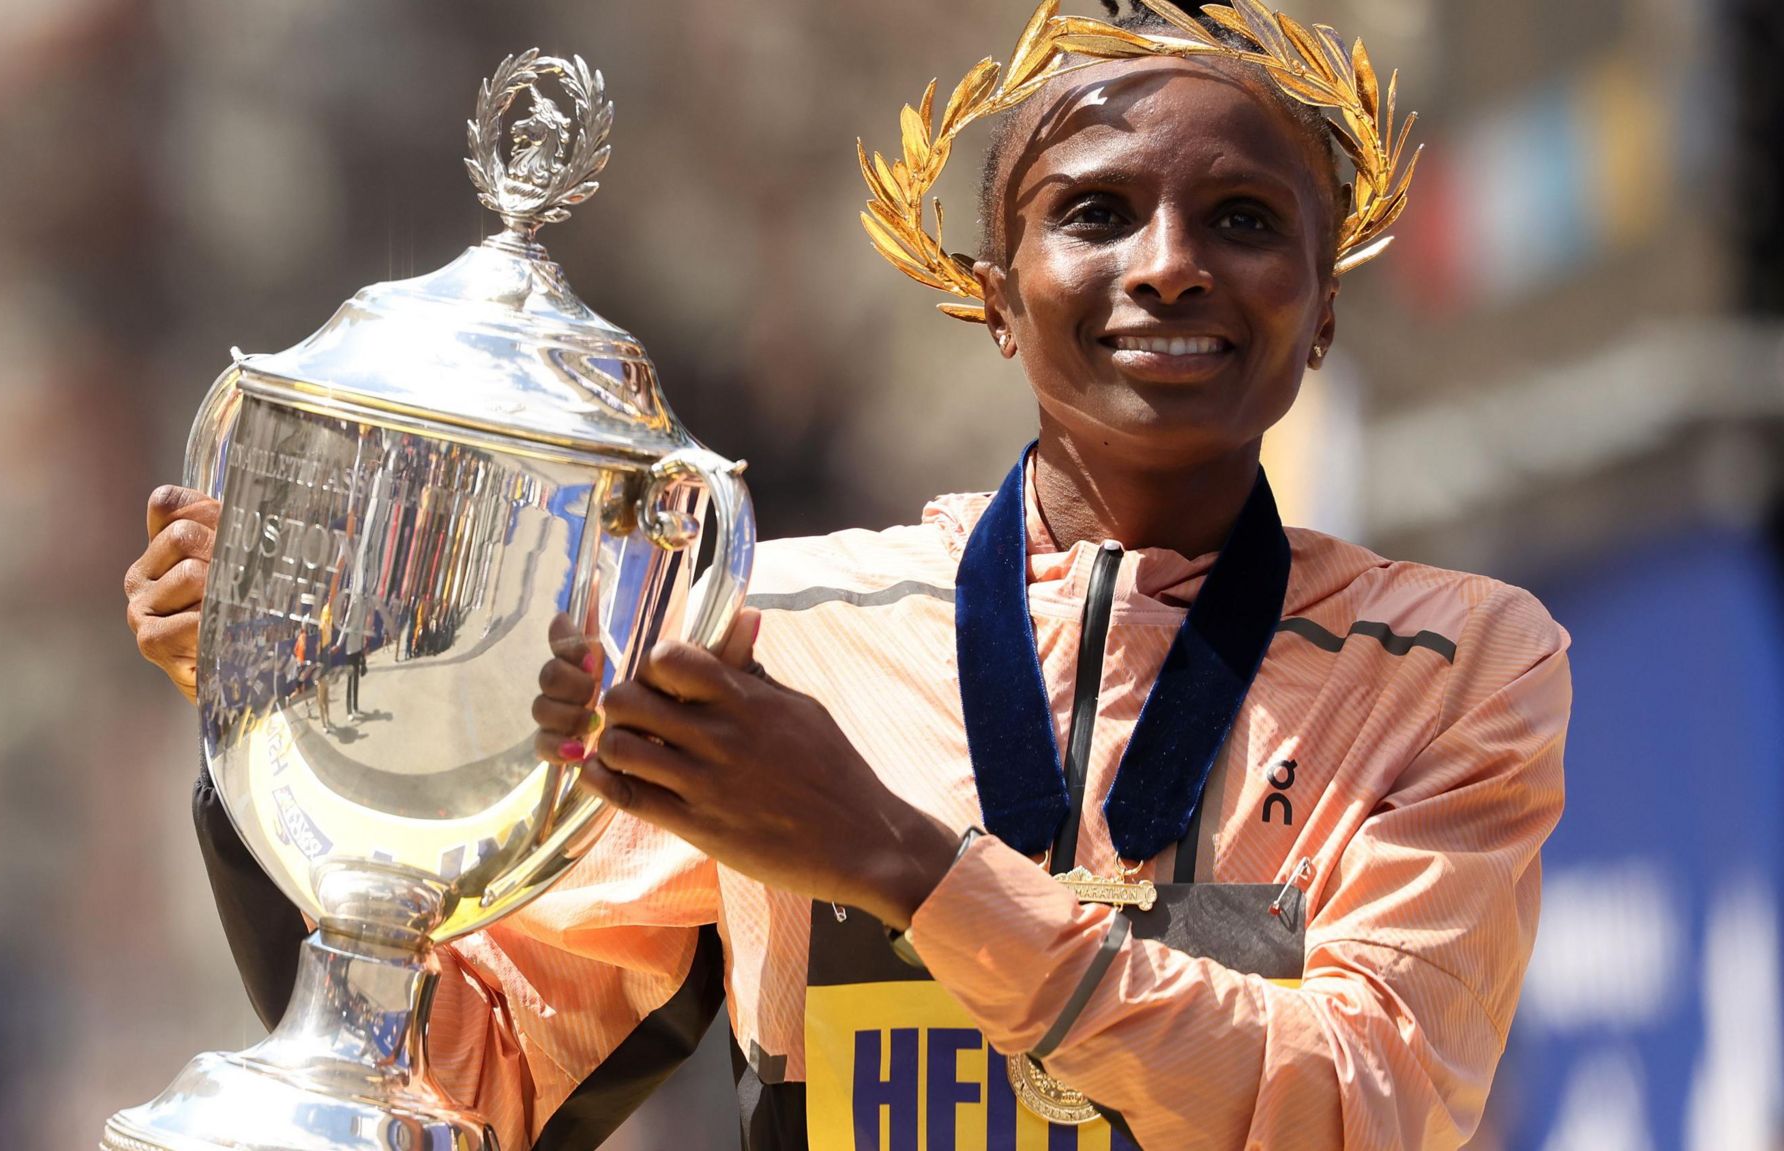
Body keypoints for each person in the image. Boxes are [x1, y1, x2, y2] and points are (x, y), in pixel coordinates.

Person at [122, 4, 1568, 1148]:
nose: (1173, 266)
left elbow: (1361, 1109)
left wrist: (894, 860)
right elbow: (485, 1085)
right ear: (994, 299)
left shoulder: (1452, 661)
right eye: (1096, 213)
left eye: (1247, 221)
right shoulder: (770, 632)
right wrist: (297, 728)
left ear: (1321, 313)